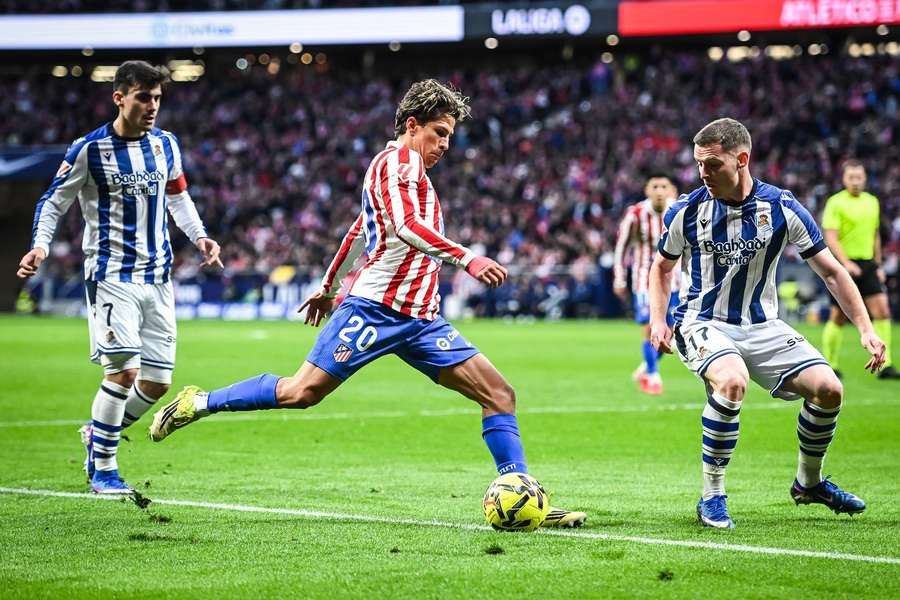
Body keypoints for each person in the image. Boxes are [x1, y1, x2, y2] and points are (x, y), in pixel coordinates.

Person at [149, 79, 586, 528]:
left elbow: (359, 231)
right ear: (412, 125)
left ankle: (521, 498)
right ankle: (198, 402)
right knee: (301, 393)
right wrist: (467, 258)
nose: (445, 144)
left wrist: (327, 285)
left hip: (421, 319)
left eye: (450, 136)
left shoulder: (407, 175)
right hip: (374, 309)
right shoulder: (396, 165)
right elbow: (402, 226)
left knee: (499, 394)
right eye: (439, 132)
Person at [648, 118, 885, 528]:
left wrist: (866, 328)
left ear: (742, 159)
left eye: (713, 164)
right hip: (703, 321)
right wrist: (658, 320)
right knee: (732, 380)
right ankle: (712, 496)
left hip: (763, 325)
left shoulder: (780, 207)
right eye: (698, 164)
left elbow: (832, 272)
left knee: (829, 390)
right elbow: (661, 269)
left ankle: (808, 483)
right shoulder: (686, 211)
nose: (703, 173)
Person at [16, 61, 223, 494]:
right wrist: (41, 245)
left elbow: (178, 198)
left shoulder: (166, 145)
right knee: (123, 372)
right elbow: (52, 203)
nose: (152, 107)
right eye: (143, 98)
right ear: (120, 98)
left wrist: (201, 237)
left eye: (157, 99)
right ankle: (103, 471)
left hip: (158, 277)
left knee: (156, 382)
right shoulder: (88, 150)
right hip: (112, 275)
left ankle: (98, 431)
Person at [820, 160, 899, 380]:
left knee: (882, 311)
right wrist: (845, 263)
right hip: (842, 266)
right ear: (844, 180)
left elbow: (875, 235)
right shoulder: (835, 203)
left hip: (868, 264)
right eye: (851, 177)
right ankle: (830, 364)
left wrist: (878, 265)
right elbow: (831, 237)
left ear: (865, 178)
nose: (855, 181)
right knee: (838, 316)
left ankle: (886, 364)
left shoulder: (872, 202)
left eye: (859, 177)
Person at [613, 173, 679, 394]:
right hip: (644, 279)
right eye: (655, 186)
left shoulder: (677, 210)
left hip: (674, 281)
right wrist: (619, 277)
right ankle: (653, 375)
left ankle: (647, 364)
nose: (659, 191)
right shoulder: (636, 214)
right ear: (647, 190)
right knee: (650, 326)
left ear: (670, 190)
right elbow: (621, 248)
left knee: (670, 331)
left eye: (664, 186)